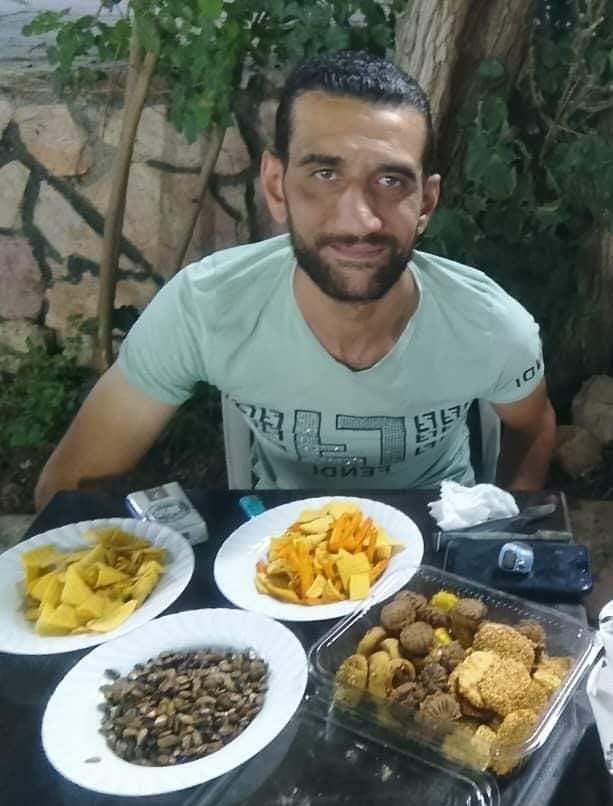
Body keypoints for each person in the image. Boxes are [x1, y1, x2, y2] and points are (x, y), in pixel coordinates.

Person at [35, 51, 556, 511]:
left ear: (426, 203)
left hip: (436, 540)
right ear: (275, 187)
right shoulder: (206, 307)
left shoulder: (488, 325)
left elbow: (532, 429)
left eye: (391, 180)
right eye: (325, 174)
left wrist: (500, 529)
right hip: (279, 549)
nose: (359, 219)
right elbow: (69, 486)